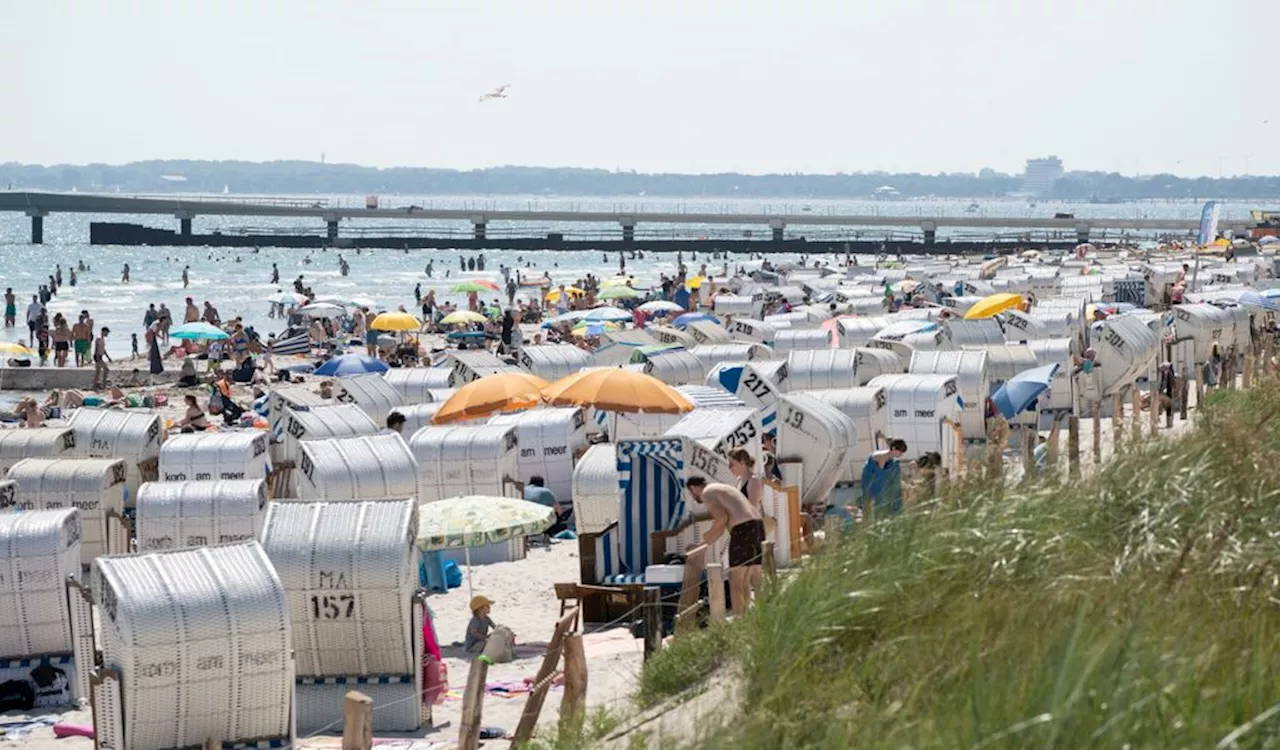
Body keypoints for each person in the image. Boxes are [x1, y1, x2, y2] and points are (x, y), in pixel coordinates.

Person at [684, 477, 763, 616]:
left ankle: (739, 621)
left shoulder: (707, 493)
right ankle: (745, 619)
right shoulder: (721, 487)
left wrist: (705, 538)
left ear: (694, 488)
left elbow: (721, 519)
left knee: (735, 581)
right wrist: (703, 544)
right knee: (744, 580)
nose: (693, 497)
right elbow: (720, 530)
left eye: (691, 493)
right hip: (757, 526)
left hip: (742, 528)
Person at [861, 438, 907, 518]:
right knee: (878, 493)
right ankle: (877, 514)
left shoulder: (891, 458)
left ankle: (892, 511)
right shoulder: (883, 457)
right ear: (893, 449)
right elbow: (879, 475)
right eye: (900, 451)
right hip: (871, 474)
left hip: (878, 472)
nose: (901, 454)